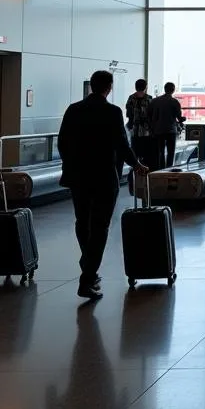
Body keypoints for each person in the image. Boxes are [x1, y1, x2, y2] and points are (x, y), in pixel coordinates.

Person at [58, 70, 147, 300]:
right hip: (104, 177)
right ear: (109, 87)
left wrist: (72, 164)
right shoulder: (112, 111)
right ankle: (88, 276)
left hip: (78, 177)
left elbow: (62, 142)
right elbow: (121, 144)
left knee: (82, 221)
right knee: (100, 226)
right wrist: (136, 164)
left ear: (91, 86)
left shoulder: (73, 109)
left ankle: (87, 262)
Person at [149, 82, 186, 170]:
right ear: (173, 90)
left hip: (158, 130)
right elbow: (179, 118)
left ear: (164, 89)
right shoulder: (175, 102)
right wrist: (183, 119)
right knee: (170, 152)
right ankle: (169, 169)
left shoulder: (155, 101)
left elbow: (149, 115)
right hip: (170, 130)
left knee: (160, 152)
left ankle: (161, 169)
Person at [124, 79, 155, 170]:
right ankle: (145, 173)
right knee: (147, 155)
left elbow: (128, 114)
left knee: (135, 153)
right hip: (147, 132)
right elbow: (152, 115)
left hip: (135, 131)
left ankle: (135, 173)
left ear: (135, 87)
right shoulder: (149, 98)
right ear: (145, 87)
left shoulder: (131, 98)